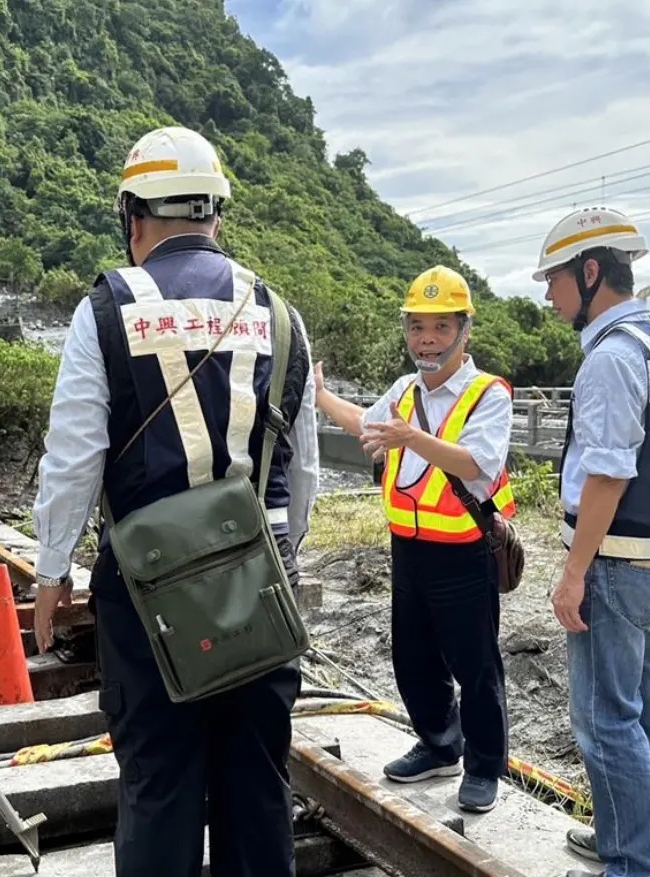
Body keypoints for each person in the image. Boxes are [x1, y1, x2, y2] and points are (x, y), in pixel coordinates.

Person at [29, 125, 319, 877]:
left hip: (148, 585)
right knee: (257, 786)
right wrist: (277, 560)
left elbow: (73, 458)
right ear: (216, 214)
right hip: (258, 586)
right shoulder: (279, 311)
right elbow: (304, 468)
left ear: (132, 217)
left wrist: (51, 570)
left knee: (158, 784)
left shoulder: (106, 308)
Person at [536, 207, 650, 877]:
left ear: (590, 270)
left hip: (613, 561)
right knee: (649, 711)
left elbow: (607, 472)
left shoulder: (610, 355)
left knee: (605, 721)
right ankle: (630, 834)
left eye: (553, 280)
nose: (547, 295)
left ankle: (634, 860)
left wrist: (572, 572)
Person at [314, 264, 515, 813]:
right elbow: (370, 426)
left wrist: (412, 437)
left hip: (463, 550)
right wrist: (322, 398)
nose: (426, 339)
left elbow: (477, 463)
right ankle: (438, 743)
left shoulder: (486, 393)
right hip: (409, 546)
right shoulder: (405, 389)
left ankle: (483, 766)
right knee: (414, 655)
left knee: (475, 663)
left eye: (441, 328)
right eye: (417, 327)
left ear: (464, 331)